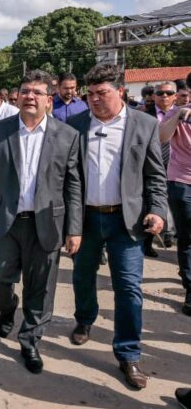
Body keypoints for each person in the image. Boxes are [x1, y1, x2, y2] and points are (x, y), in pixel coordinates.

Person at [0, 70, 82, 374]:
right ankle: (8, 308)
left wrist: (74, 228)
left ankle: (30, 340)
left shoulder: (67, 135)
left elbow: (73, 186)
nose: (30, 96)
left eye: (37, 92)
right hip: (4, 221)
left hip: (46, 223)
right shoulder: (0, 130)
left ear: (49, 99)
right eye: (25, 91)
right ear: (18, 96)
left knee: (41, 287)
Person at [67, 63, 167, 390]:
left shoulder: (144, 124)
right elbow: (68, 178)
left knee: (128, 288)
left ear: (120, 91)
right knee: (82, 276)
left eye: (102, 93)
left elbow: (155, 175)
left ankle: (128, 352)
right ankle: (84, 319)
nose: (95, 100)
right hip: (86, 219)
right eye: (90, 94)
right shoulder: (76, 125)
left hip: (127, 221)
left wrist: (158, 211)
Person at [158, 104, 191, 316]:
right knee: (187, 237)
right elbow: (161, 137)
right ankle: (190, 288)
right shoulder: (179, 112)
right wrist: (178, 116)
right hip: (182, 182)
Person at [144, 81, 178, 255]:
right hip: (151, 165)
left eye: (169, 93)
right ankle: (147, 242)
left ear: (175, 96)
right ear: (154, 96)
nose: (165, 96)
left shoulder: (183, 114)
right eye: (160, 93)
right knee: (151, 202)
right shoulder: (143, 115)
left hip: (177, 166)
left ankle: (170, 234)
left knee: (175, 202)